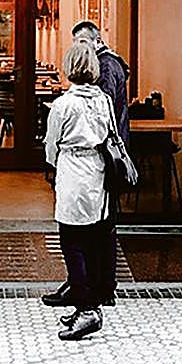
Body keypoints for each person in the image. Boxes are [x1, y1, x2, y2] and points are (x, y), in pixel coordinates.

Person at [43, 20, 129, 312]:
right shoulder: (102, 101)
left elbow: (51, 146)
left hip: (72, 171)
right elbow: (110, 133)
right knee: (95, 236)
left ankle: (84, 303)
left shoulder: (62, 105)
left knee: (70, 239)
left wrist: (57, 164)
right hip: (97, 172)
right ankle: (93, 294)